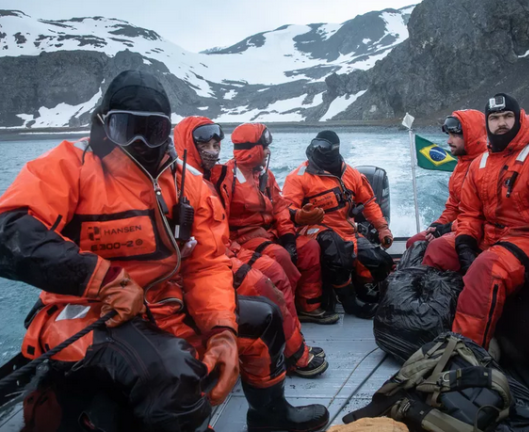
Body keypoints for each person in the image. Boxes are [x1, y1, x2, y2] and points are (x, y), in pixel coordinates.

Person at [0, 71, 329, 432]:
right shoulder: (71, 165)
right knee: (171, 373)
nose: (141, 142)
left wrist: (221, 329)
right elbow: (10, 230)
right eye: (127, 129)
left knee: (263, 318)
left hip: (162, 304)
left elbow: (205, 265)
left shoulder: (189, 185)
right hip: (85, 312)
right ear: (103, 125)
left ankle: (271, 417)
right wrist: (101, 279)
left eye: (153, 130)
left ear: (167, 132)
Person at [423, 93, 529, 348]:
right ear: (486, 123)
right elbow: (469, 213)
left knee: (487, 267)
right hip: (492, 237)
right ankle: (434, 322)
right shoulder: (481, 162)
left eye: (508, 116)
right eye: (495, 118)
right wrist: (465, 244)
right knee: (438, 249)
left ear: (519, 118)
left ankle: (466, 349)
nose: (501, 123)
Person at [173, 116, 330, 378]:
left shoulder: (251, 177)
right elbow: (215, 230)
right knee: (272, 271)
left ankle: (300, 320)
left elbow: (279, 207)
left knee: (302, 252)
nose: (214, 152)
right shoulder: (213, 178)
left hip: (225, 251)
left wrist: (294, 227)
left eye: (216, 146)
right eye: (206, 146)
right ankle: (294, 352)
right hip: (219, 254)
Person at [220, 123, 339, 324]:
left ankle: (309, 306)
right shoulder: (225, 178)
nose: (268, 152)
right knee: (281, 256)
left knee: (309, 247)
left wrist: (289, 237)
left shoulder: (265, 176)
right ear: (252, 149)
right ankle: (285, 315)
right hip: (243, 238)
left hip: (270, 234)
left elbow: (280, 208)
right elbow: (219, 221)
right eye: (264, 147)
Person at [283, 130, 394, 319]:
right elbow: (286, 209)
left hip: (345, 229)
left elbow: (368, 203)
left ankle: (363, 289)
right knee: (335, 246)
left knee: (381, 262)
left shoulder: (351, 173)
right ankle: (350, 303)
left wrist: (382, 228)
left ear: (334, 150)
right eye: (316, 145)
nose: (318, 150)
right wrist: (302, 215)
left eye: (323, 147)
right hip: (313, 229)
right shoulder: (298, 177)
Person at [406, 110, 487, 259]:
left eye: (455, 135)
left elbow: (482, 217)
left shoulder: (487, 168)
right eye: (449, 135)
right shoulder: (460, 167)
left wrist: (447, 228)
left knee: (436, 250)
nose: (449, 141)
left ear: (471, 136)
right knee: (413, 242)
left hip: (479, 234)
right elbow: (453, 207)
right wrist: (438, 225)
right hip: (458, 227)